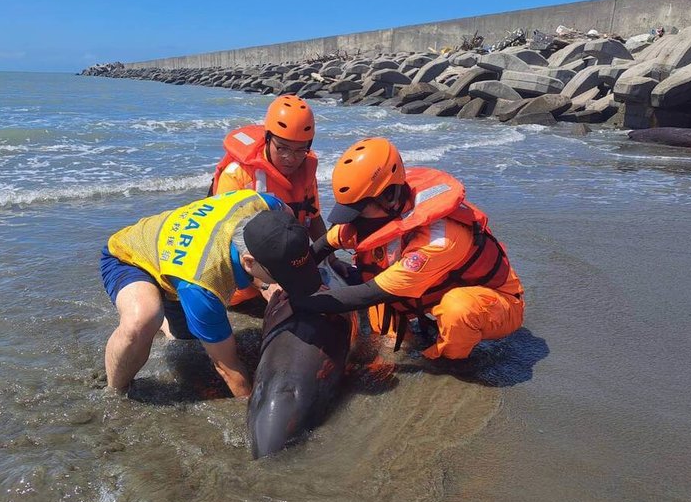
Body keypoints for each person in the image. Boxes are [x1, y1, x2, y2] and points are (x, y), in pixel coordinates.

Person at [289, 137, 525, 361]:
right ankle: (404, 339)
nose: (353, 220)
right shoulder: (371, 215)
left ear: (390, 196)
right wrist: (290, 278)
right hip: (429, 290)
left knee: (457, 309)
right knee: (384, 337)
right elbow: (322, 246)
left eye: (359, 210)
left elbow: (369, 293)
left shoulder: (440, 239)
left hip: (494, 302)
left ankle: (451, 363)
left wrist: (303, 302)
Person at [99, 189, 321, 397]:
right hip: (130, 256)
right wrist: (247, 404)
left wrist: (268, 281)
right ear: (249, 262)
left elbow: (289, 217)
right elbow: (228, 368)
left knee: (184, 339)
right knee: (144, 319)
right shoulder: (204, 285)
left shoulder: (265, 203)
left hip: (176, 259)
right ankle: (114, 390)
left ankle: (165, 317)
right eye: (284, 275)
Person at [209, 94, 328, 305]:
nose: (290, 158)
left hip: (285, 269)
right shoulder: (236, 175)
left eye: (301, 150)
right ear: (267, 138)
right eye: (282, 147)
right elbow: (225, 243)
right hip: (246, 278)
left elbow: (313, 218)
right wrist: (264, 284)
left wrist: (331, 259)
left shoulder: (306, 172)